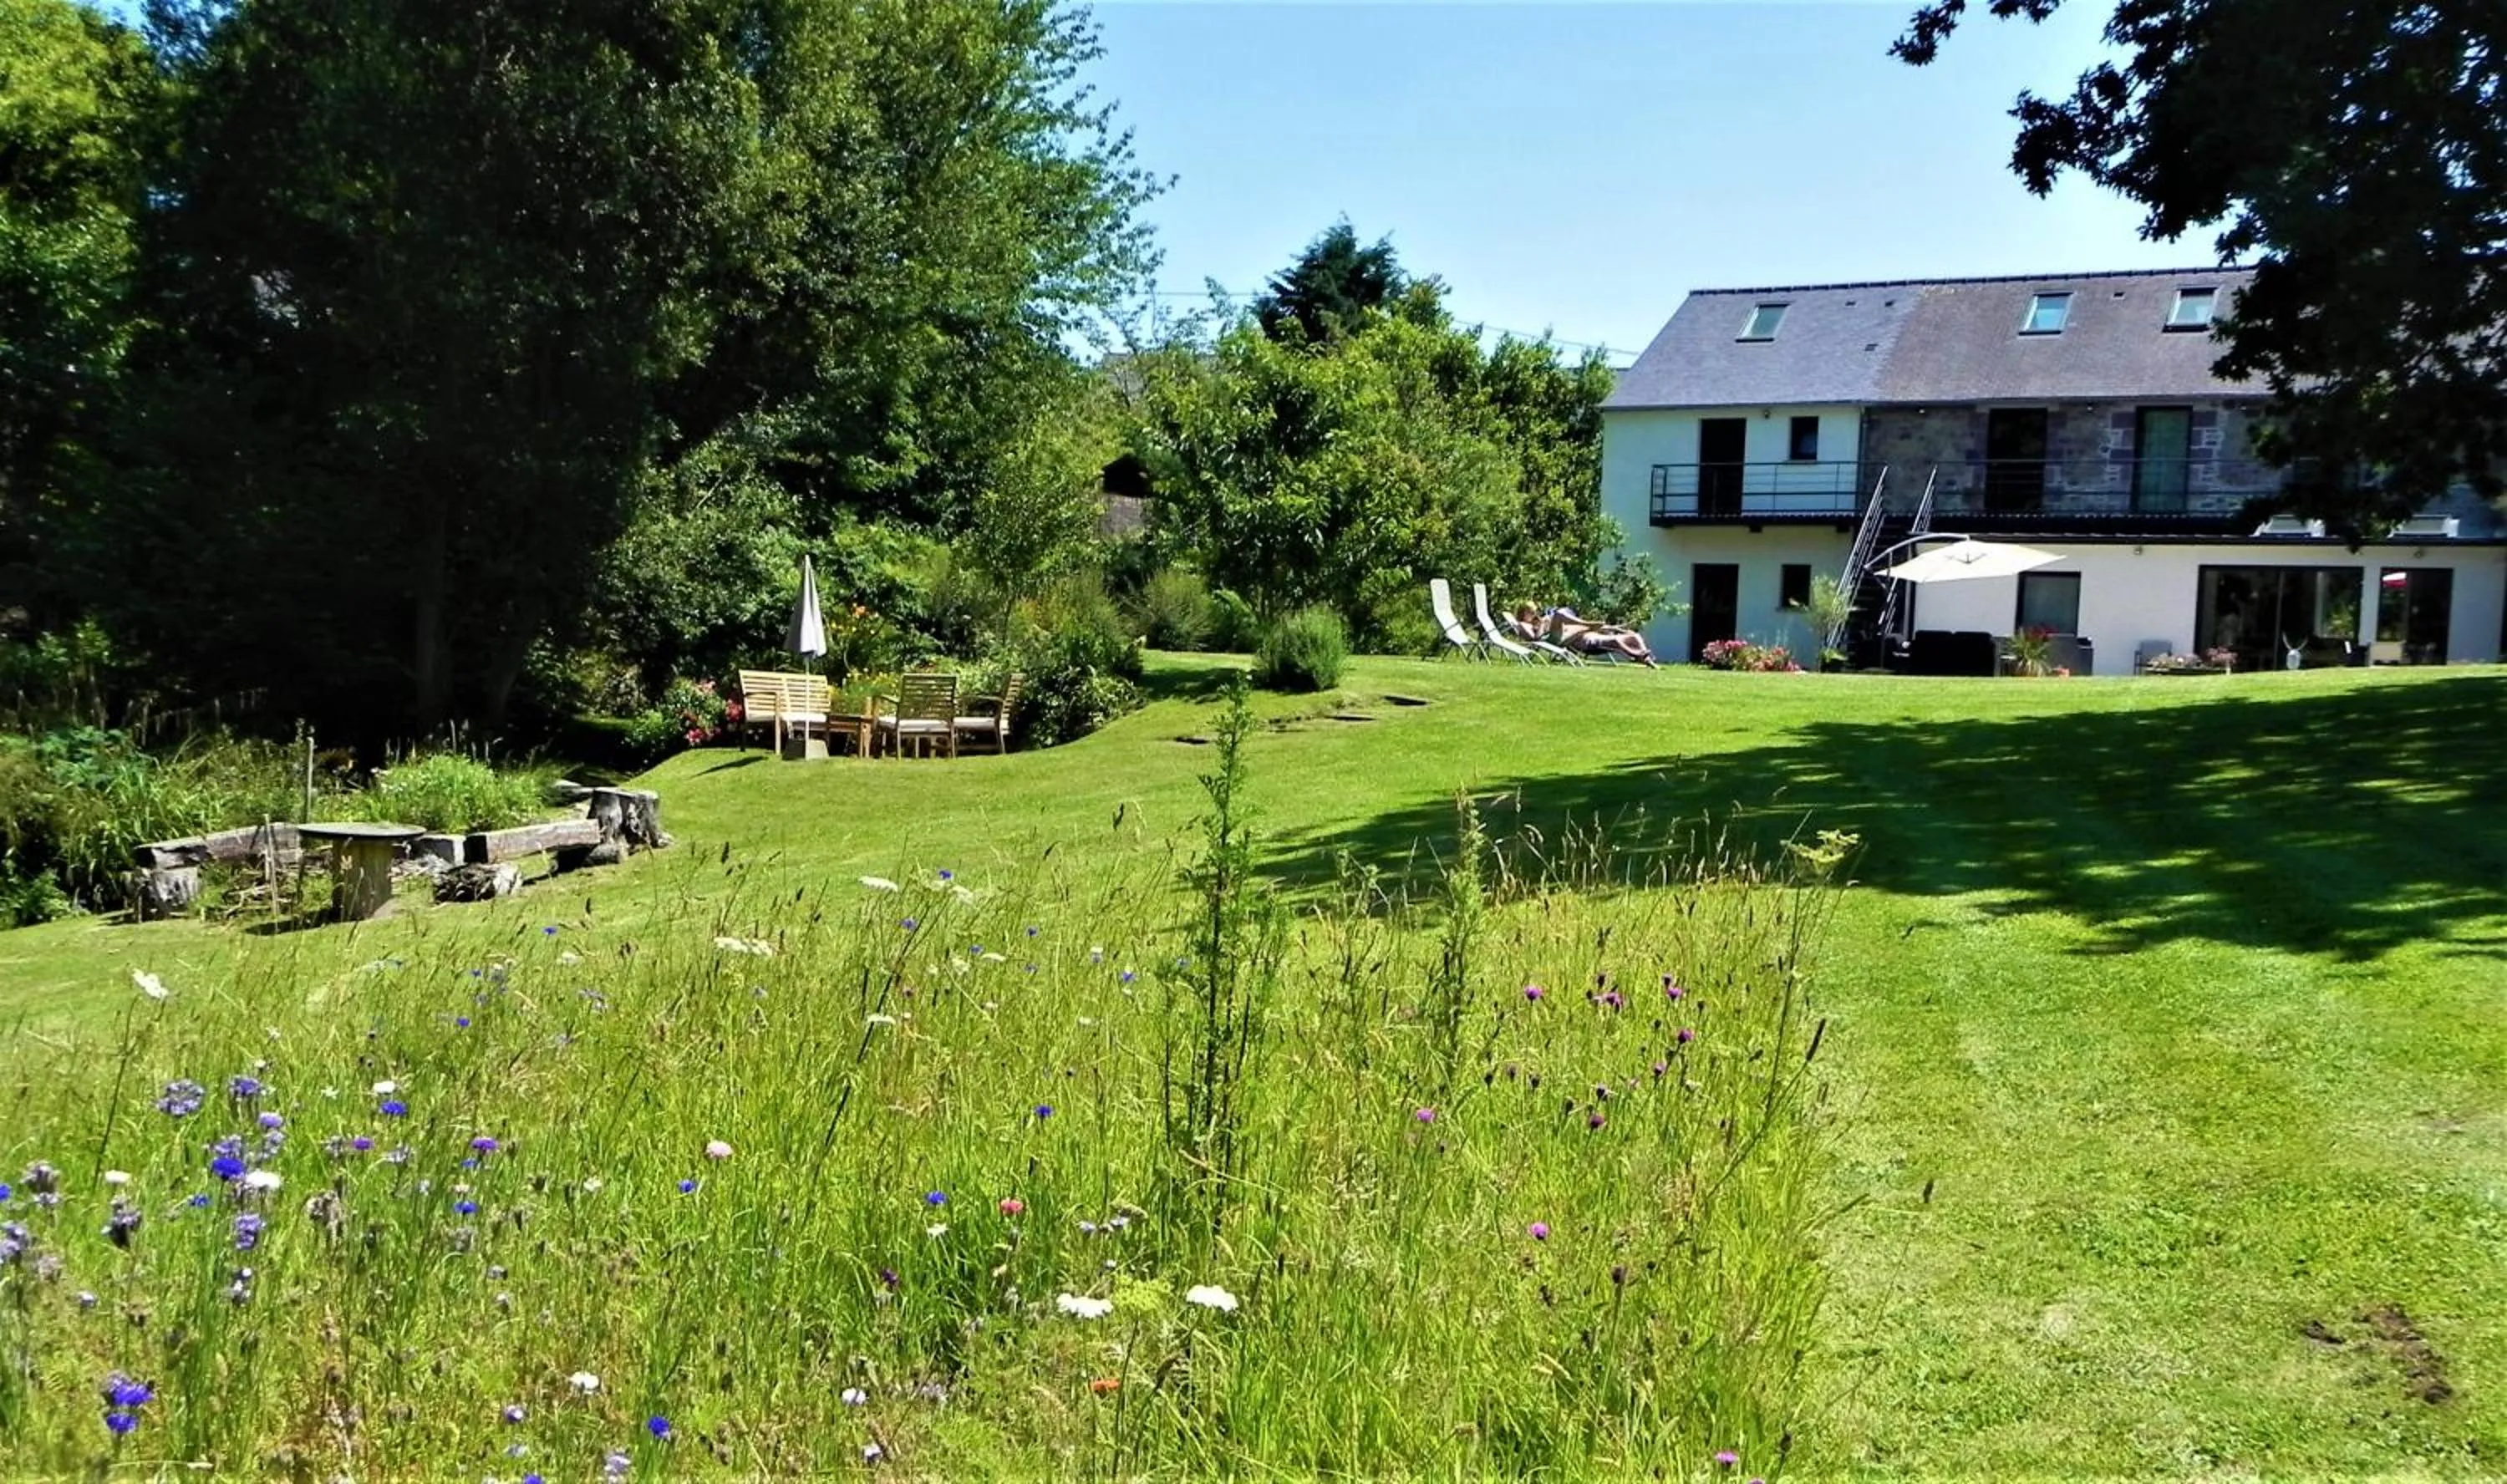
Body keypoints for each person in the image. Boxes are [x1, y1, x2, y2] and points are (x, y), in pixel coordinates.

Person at [1517, 601, 1658, 668]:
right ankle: (1587, 624)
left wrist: (1546, 621)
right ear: (1523, 613)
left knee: (1633, 635)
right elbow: (1535, 639)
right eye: (1531, 612)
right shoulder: (1523, 625)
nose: (1535, 614)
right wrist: (1542, 624)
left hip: (1566, 634)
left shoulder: (1536, 620)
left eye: (1535, 611)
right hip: (1551, 639)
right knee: (1560, 614)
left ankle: (1644, 655)